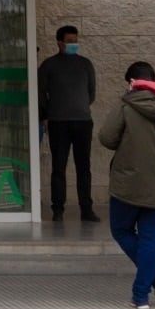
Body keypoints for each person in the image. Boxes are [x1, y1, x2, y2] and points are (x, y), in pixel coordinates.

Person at [99, 60, 155, 309]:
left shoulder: (126, 105)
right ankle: (141, 296)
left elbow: (107, 137)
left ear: (131, 82)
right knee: (150, 239)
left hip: (126, 184)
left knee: (121, 231)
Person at [37, 24, 99, 223]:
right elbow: (40, 93)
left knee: (84, 167)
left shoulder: (86, 64)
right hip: (58, 123)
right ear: (59, 42)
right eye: (69, 41)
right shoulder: (49, 65)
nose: (73, 44)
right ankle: (58, 209)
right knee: (59, 167)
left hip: (83, 121)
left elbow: (91, 92)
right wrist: (49, 112)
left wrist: (79, 106)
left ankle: (86, 209)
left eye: (75, 41)